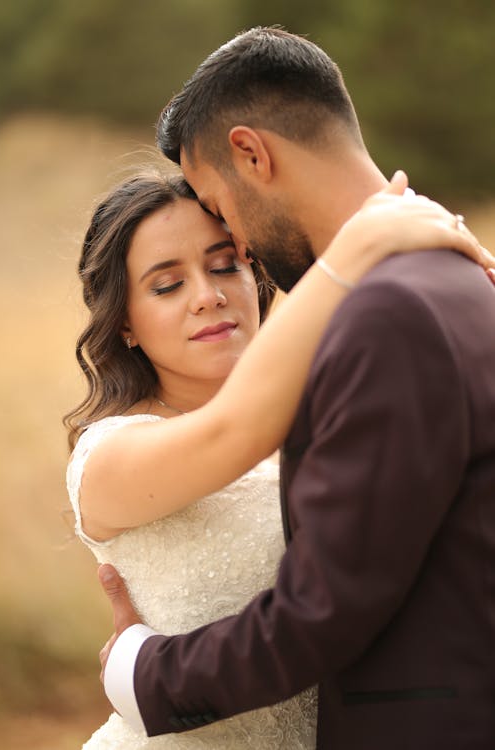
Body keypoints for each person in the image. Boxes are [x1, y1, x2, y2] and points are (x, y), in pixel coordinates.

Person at [97, 27, 495, 749]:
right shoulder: (457, 276)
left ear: (252, 153)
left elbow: (328, 606)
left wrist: (139, 672)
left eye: (223, 209)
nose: (241, 245)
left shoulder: (387, 312)